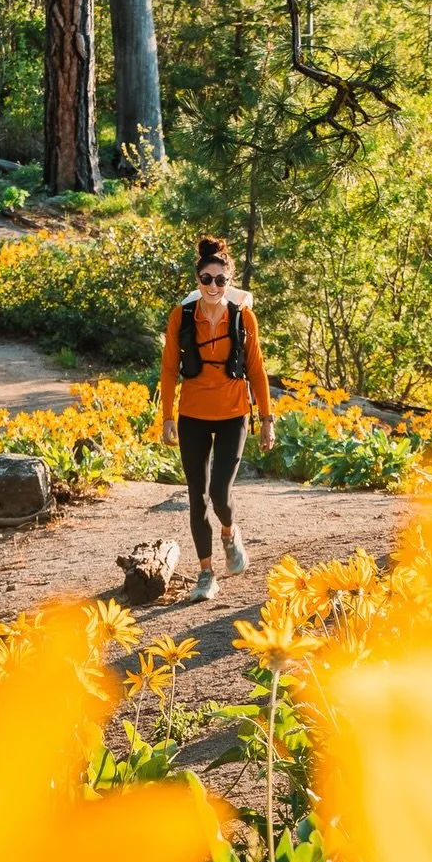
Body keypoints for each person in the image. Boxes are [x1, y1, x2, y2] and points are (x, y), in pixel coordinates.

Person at [159, 237, 276, 602]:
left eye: (220, 280)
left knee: (220, 495)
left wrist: (267, 418)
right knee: (197, 498)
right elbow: (167, 369)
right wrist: (166, 417)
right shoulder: (182, 315)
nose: (213, 286)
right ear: (197, 279)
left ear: (229, 281)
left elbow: (256, 370)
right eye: (206, 279)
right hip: (192, 414)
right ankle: (206, 574)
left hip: (232, 414)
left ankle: (229, 531)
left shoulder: (243, 316)